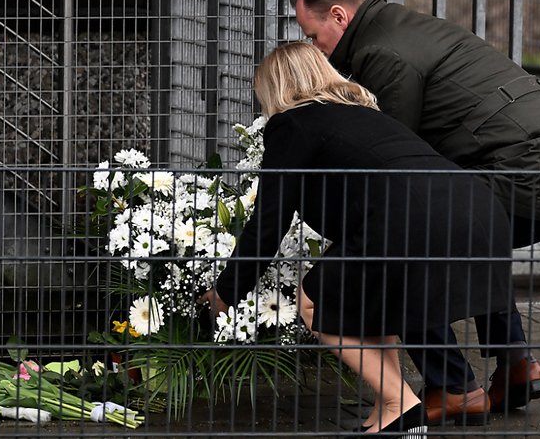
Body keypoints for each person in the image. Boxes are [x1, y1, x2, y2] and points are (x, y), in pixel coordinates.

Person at [288, 0, 540, 424]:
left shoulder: (382, 52)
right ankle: (515, 363)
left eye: (313, 35)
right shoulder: (403, 26)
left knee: (403, 243)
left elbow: (394, 162)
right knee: (458, 230)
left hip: (534, 169)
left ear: (338, 15)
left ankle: (453, 385)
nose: (315, 49)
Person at [200, 42, 515, 436]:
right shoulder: (362, 114)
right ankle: (390, 406)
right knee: (367, 298)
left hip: (410, 219)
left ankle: (401, 404)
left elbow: (268, 220)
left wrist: (226, 293)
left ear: (275, 87)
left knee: (315, 300)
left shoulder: (292, 123)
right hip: (477, 209)